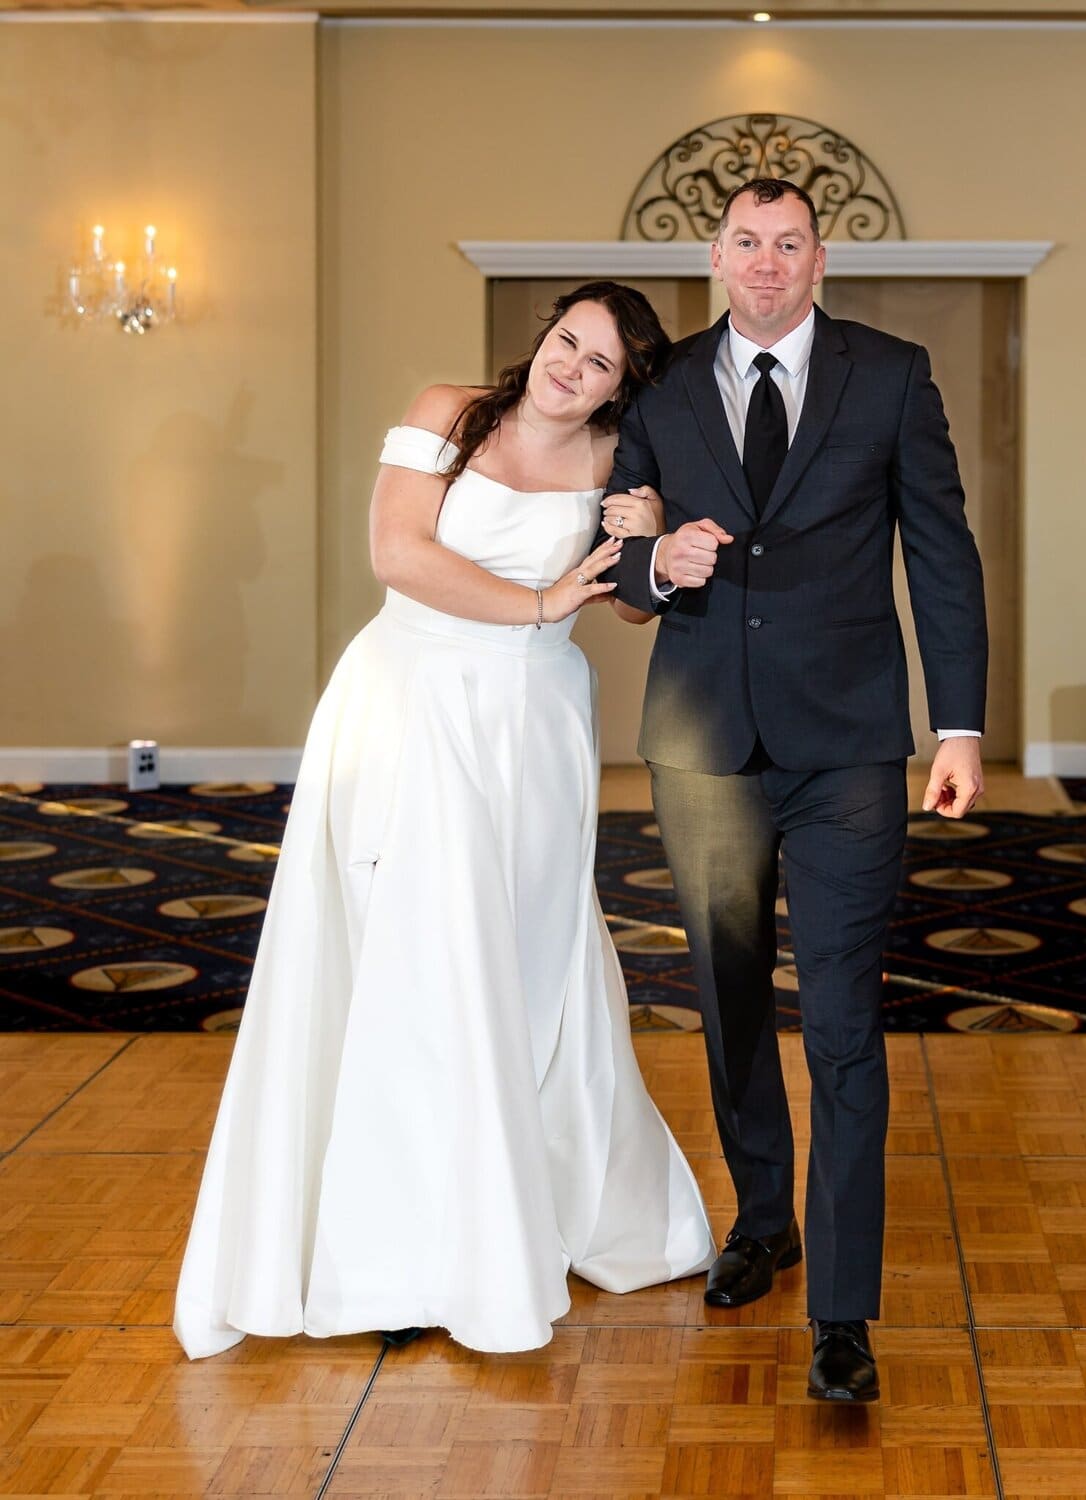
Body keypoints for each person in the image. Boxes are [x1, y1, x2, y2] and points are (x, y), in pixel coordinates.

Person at [173, 281, 716, 1361]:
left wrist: (647, 539)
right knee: (407, 958)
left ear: (623, 386)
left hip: (532, 726)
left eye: (601, 363)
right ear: (545, 337)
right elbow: (397, 552)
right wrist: (536, 603)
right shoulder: (446, 415)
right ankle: (401, 1252)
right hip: (407, 702)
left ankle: (517, 1213)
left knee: (517, 961)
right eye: (569, 342)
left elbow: (638, 596)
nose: (573, 367)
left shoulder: (619, 461)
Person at [604, 179, 988, 1402]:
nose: (766, 265)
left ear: (821, 257)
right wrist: (654, 567)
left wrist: (960, 725)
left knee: (842, 1022)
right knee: (726, 1001)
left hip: (851, 754)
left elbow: (941, 551)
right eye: (746, 244)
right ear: (715, 257)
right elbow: (615, 557)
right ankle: (762, 1221)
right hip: (703, 744)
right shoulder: (659, 387)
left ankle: (844, 1313)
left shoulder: (892, 373)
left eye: (789, 245)